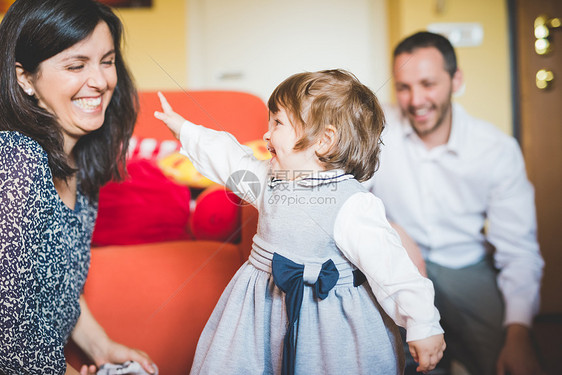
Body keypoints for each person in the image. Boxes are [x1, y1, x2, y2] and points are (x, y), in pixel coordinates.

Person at [154, 69, 446, 374]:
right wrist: (184, 129)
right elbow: (230, 158)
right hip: (261, 311)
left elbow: (392, 269)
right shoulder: (268, 179)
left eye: (278, 123)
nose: (266, 134)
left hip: (329, 320)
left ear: (324, 140)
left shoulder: (353, 203)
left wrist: (423, 323)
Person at [363, 31, 545, 375]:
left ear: (455, 80)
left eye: (428, 83)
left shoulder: (496, 149)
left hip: (468, 268)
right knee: (392, 360)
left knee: (513, 360)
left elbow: (519, 250)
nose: (416, 99)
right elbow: (348, 196)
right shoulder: (374, 130)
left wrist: (519, 334)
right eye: (403, 87)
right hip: (398, 267)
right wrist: (392, 229)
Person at [0, 0, 157, 374]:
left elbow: (57, 287)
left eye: (107, 60)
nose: (101, 81)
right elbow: (7, 331)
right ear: (25, 78)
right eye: (75, 65)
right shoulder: (14, 160)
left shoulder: (81, 163)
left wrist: (101, 347)